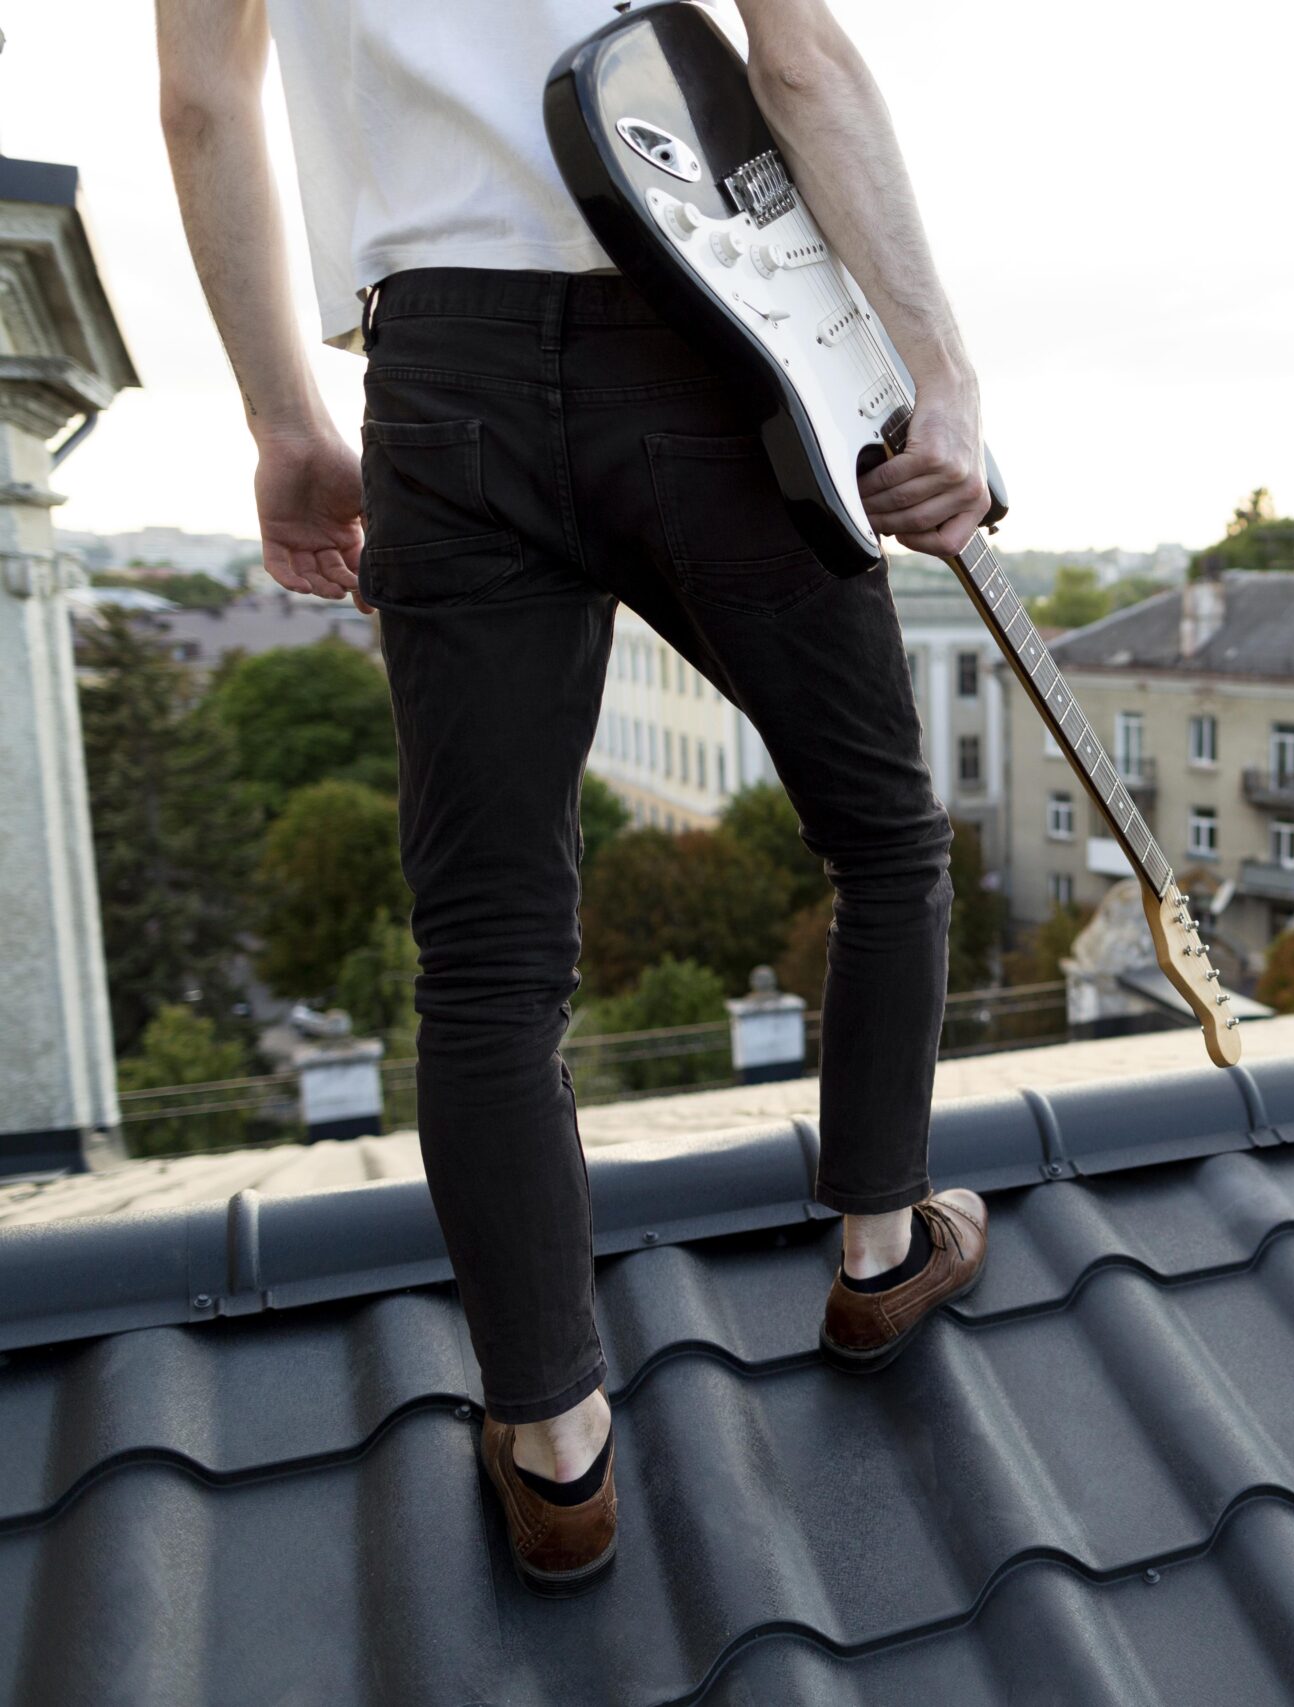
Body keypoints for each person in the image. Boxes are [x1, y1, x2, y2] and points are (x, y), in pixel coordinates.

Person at [156, 0, 990, 1593]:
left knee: (485, 958)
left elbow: (203, 105)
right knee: (885, 835)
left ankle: (558, 1452)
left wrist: (282, 422)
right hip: (696, 328)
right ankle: (882, 1251)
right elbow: (798, 61)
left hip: (439, 369)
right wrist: (937, 369)